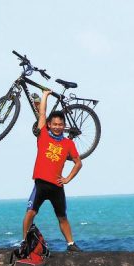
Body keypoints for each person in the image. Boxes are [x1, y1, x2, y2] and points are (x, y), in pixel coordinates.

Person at [22, 90, 83, 252]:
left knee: (62, 217)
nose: (57, 127)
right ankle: (25, 242)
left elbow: (78, 163)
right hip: (41, 184)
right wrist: (45, 96)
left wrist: (67, 178)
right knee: (30, 213)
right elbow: (42, 114)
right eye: (54, 124)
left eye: (60, 124)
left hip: (57, 186)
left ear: (64, 126)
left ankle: (71, 244)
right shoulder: (43, 135)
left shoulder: (68, 143)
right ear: (49, 125)